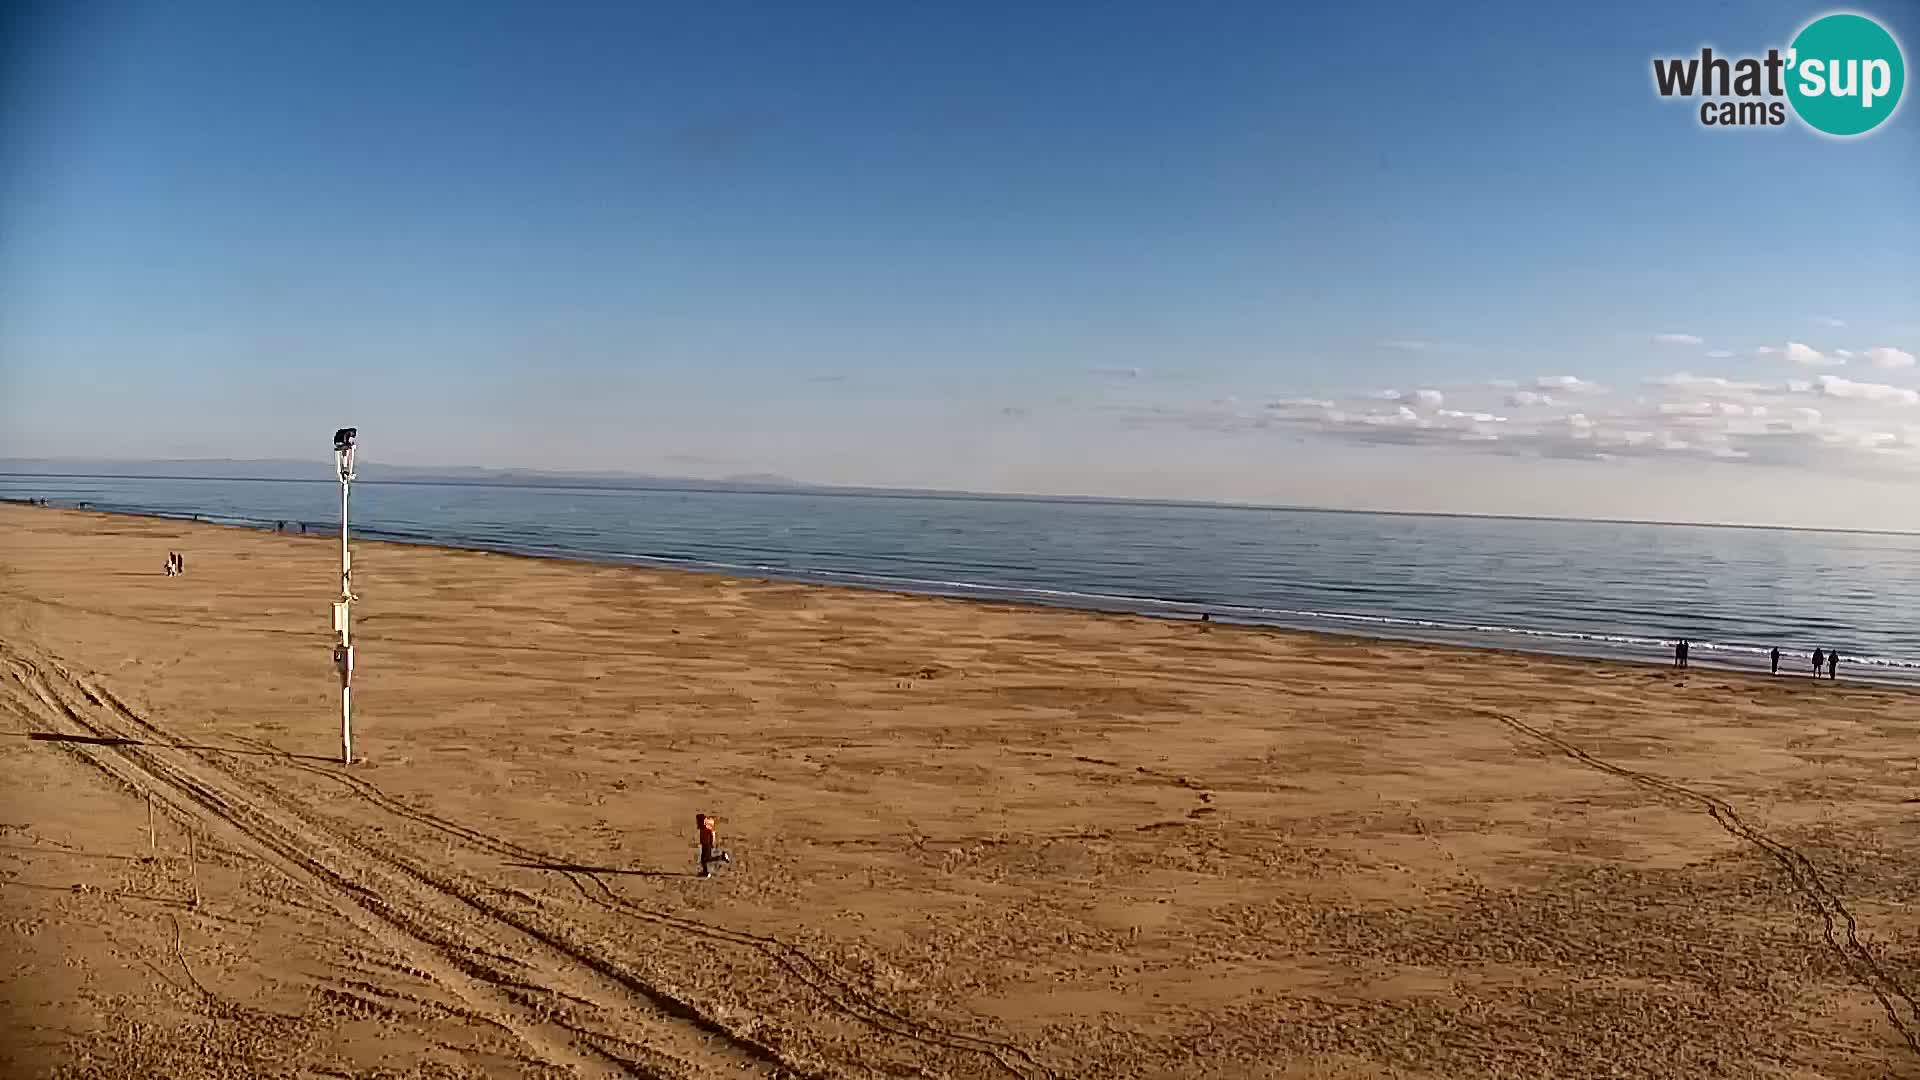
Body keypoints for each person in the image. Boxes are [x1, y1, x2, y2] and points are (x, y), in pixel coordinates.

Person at [695, 813, 731, 878]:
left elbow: (711, 835)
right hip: (704, 845)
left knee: (706, 859)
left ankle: (722, 857)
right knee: (704, 859)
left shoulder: (706, 827)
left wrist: (711, 843)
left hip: (707, 845)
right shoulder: (702, 826)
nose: (697, 822)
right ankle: (705, 872)